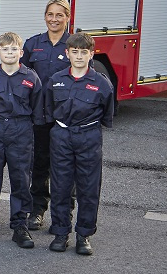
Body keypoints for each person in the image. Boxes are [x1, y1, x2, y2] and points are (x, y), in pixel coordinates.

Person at [44, 32, 115, 255]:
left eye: (84, 52)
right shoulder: (55, 80)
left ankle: (83, 235)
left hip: (89, 136)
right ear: (67, 53)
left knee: (88, 187)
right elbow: (48, 110)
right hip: (62, 136)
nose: (79, 56)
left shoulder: (101, 83)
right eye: (74, 51)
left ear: (91, 54)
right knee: (60, 186)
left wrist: (87, 131)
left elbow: (107, 114)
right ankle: (61, 233)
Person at [0, 32, 42, 248]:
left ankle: (20, 225)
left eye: (14, 49)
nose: (10, 52)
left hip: (21, 129)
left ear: (21, 53)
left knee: (21, 179)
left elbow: (37, 108)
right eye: (5, 49)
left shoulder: (31, 78)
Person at [22, 0, 72, 230]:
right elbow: (20, 77)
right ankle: (37, 209)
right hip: (39, 117)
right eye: (50, 14)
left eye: (59, 15)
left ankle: (63, 215)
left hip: (65, 117)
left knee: (64, 166)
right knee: (39, 164)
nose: (54, 19)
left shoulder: (74, 45)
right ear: (45, 17)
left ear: (67, 17)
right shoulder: (33, 45)